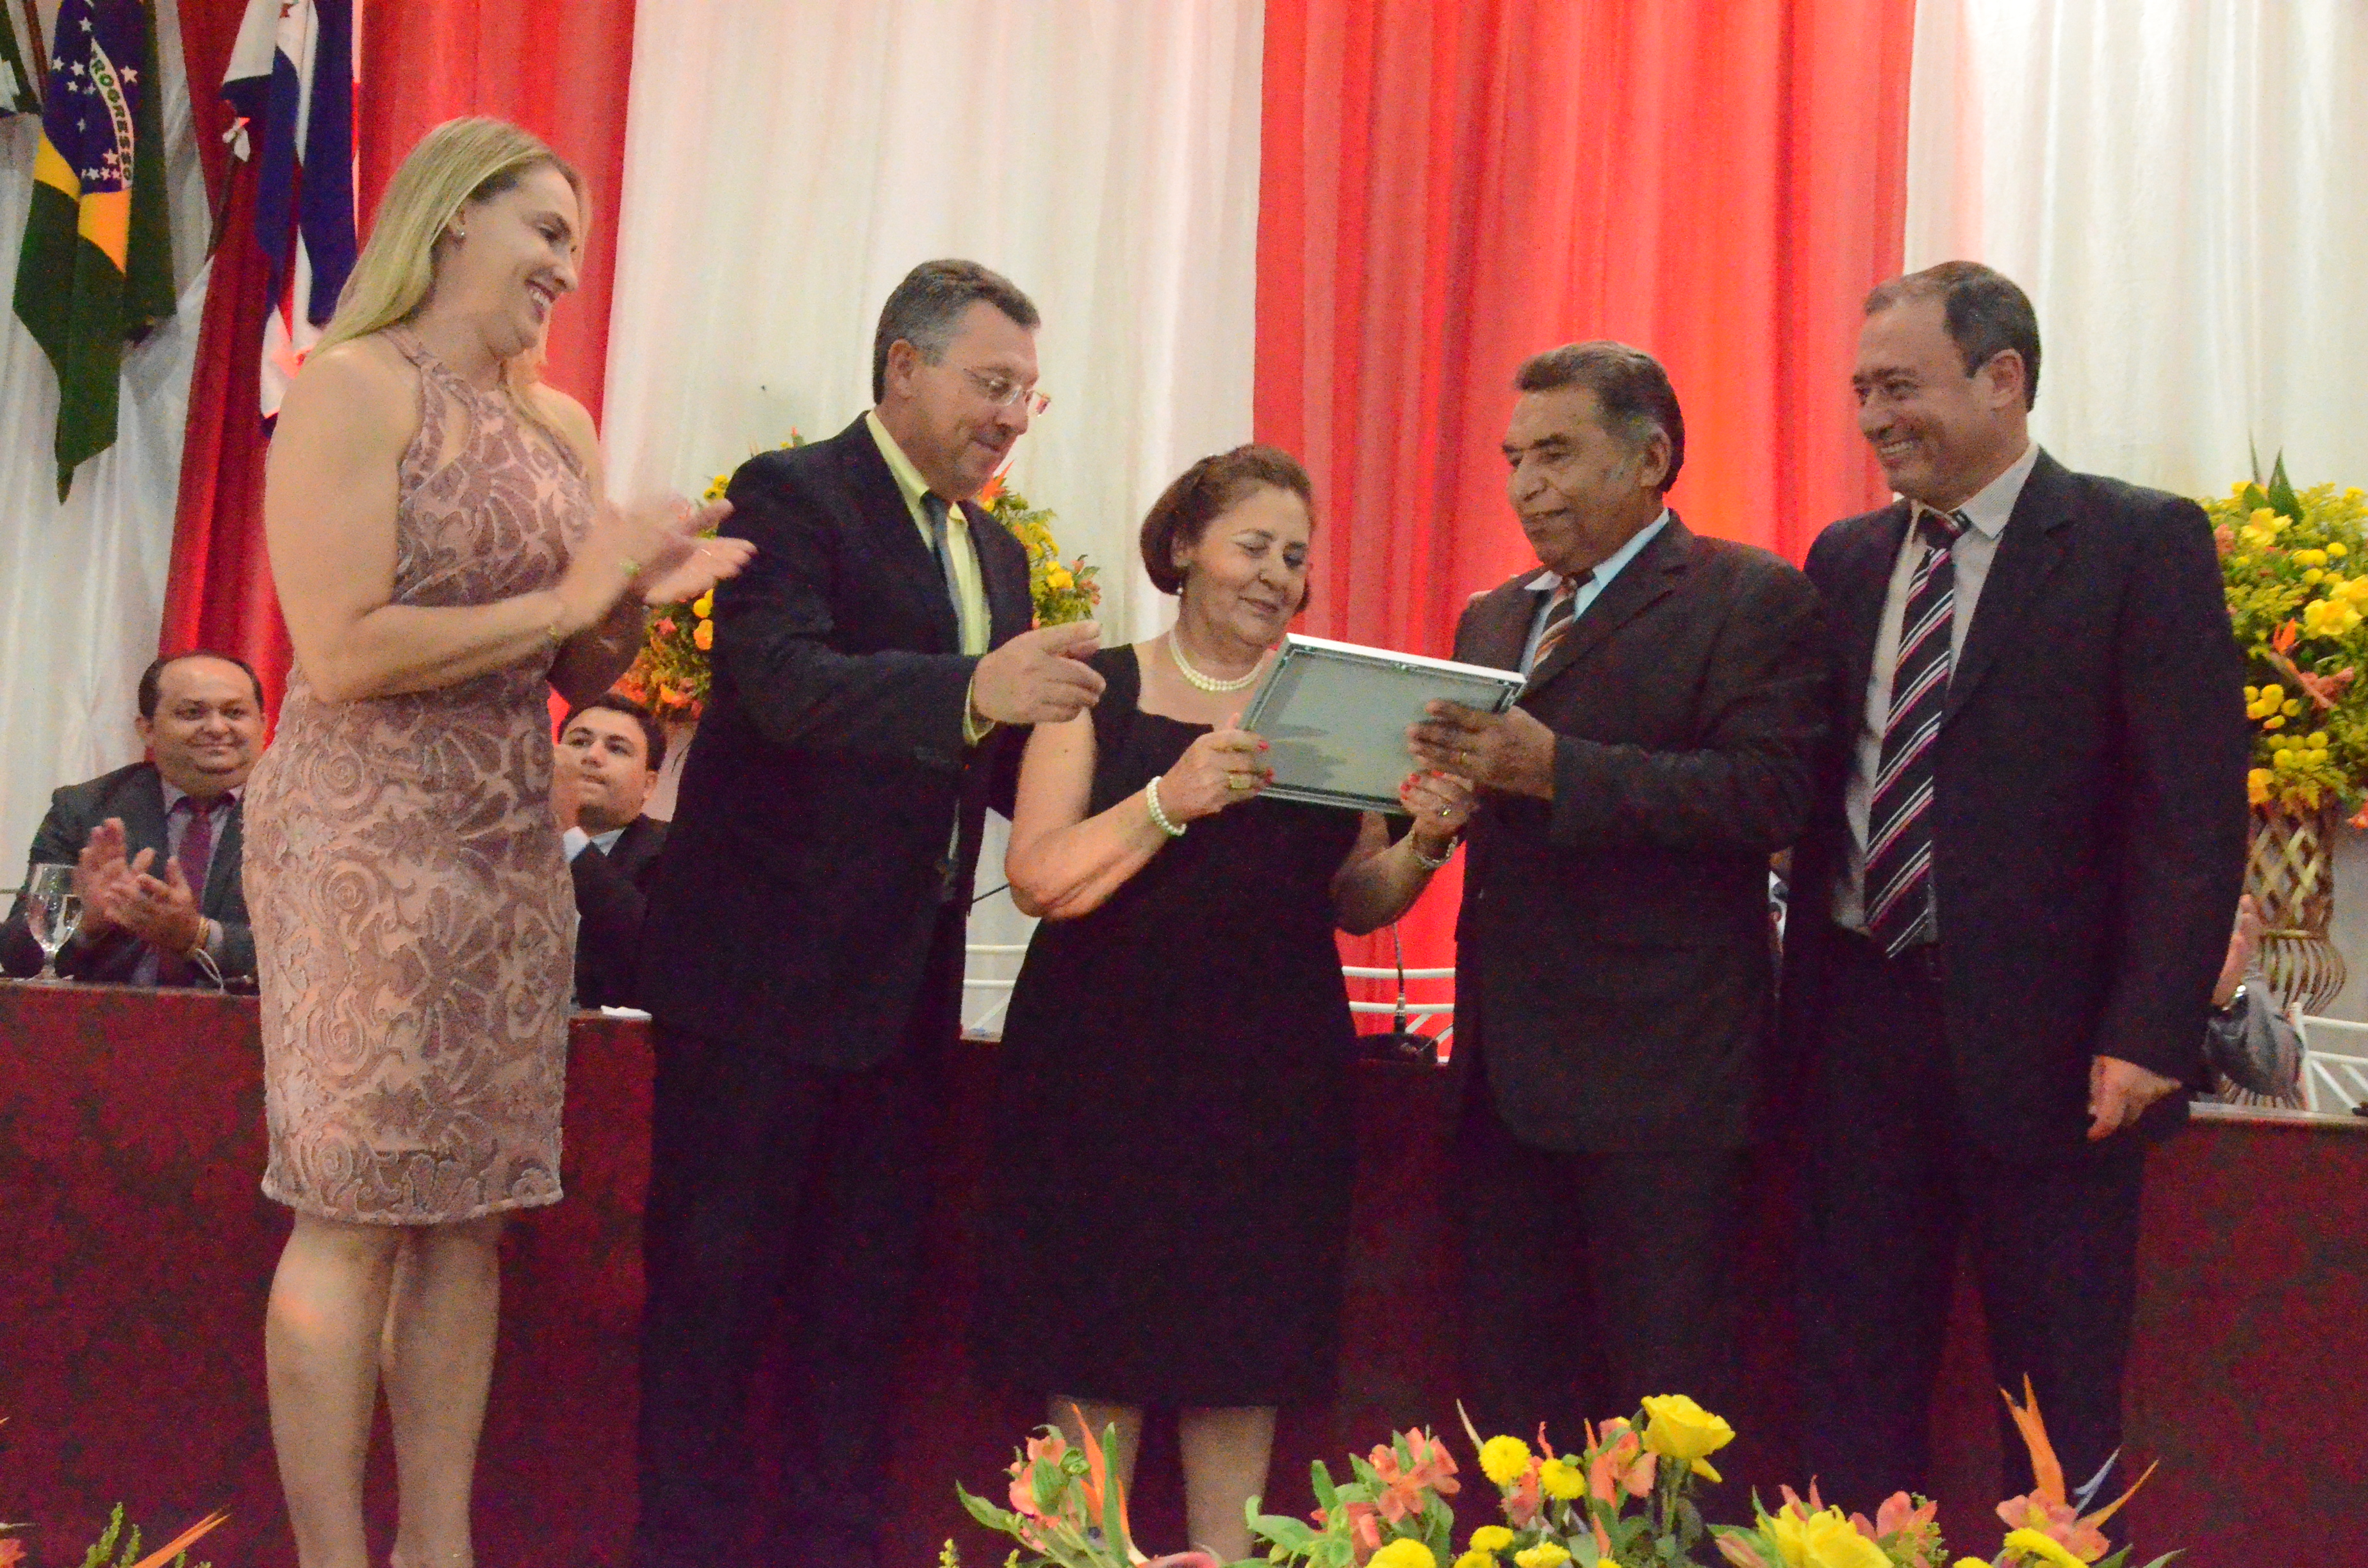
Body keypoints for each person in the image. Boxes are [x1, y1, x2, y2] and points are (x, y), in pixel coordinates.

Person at [242, 117, 748, 1568]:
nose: (566, 272)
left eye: (575, 247)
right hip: (361, 836)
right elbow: (342, 646)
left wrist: (638, 595)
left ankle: (437, 1546)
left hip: (505, 841)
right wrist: (577, 589)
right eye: (546, 234)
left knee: (468, 1215)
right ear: (455, 216)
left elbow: (578, 663)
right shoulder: (350, 386)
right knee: (351, 1205)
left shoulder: (560, 425)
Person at [632, 259, 1106, 1567]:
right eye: (991, 382)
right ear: (903, 363)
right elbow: (785, 683)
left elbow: (1000, 762)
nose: (1010, 417)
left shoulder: (999, 552)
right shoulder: (794, 494)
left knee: (861, 1316)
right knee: (713, 1311)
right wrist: (977, 688)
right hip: (757, 990)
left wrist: (1151, 799)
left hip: (904, 998)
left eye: (1028, 394)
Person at [1782, 261, 2248, 1515]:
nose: (1873, 418)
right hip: (1857, 1031)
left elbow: (2193, 819)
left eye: (1900, 387)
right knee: (1852, 1375)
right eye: (1859, 391)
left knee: (2055, 1397)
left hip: (2056, 1052)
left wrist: (2149, 1032)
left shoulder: (2136, 544)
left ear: (2003, 378)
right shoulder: (1845, 559)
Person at [973, 445, 1474, 1563]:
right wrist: (1170, 797)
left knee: (1242, 1365)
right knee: (1092, 1361)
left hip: (1271, 1085)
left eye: (1295, 556)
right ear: (1186, 546)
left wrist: (1427, 844)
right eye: (1254, 546)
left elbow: (1353, 899)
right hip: (1099, 1079)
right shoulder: (1094, 689)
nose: (1277, 575)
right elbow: (1042, 879)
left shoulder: (1327, 703)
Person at [1406, 342, 1826, 1446]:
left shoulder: (1748, 596)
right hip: (1505, 1080)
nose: (1525, 486)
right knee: (1516, 1411)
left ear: (1650, 458)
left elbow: (1771, 795)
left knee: (1664, 1409)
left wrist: (1561, 771)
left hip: (1665, 1085)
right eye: (1513, 459)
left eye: (1555, 453)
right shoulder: (1494, 616)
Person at [2, 652, 265, 985]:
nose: (216, 727)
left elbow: (318, 952)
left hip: (247, 1017)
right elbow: (16, 956)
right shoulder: (86, 808)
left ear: (263, 724)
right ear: (147, 729)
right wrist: (85, 923)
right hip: (108, 1015)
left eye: (235, 713)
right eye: (191, 713)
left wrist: (197, 935)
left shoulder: (304, 813)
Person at [552, 693, 670, 1008]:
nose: (592, 756)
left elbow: (656, 952)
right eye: (579, 742)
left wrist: (568, 835)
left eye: (617, 748)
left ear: (648, 785)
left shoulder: (675, 851)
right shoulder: (503, 844)